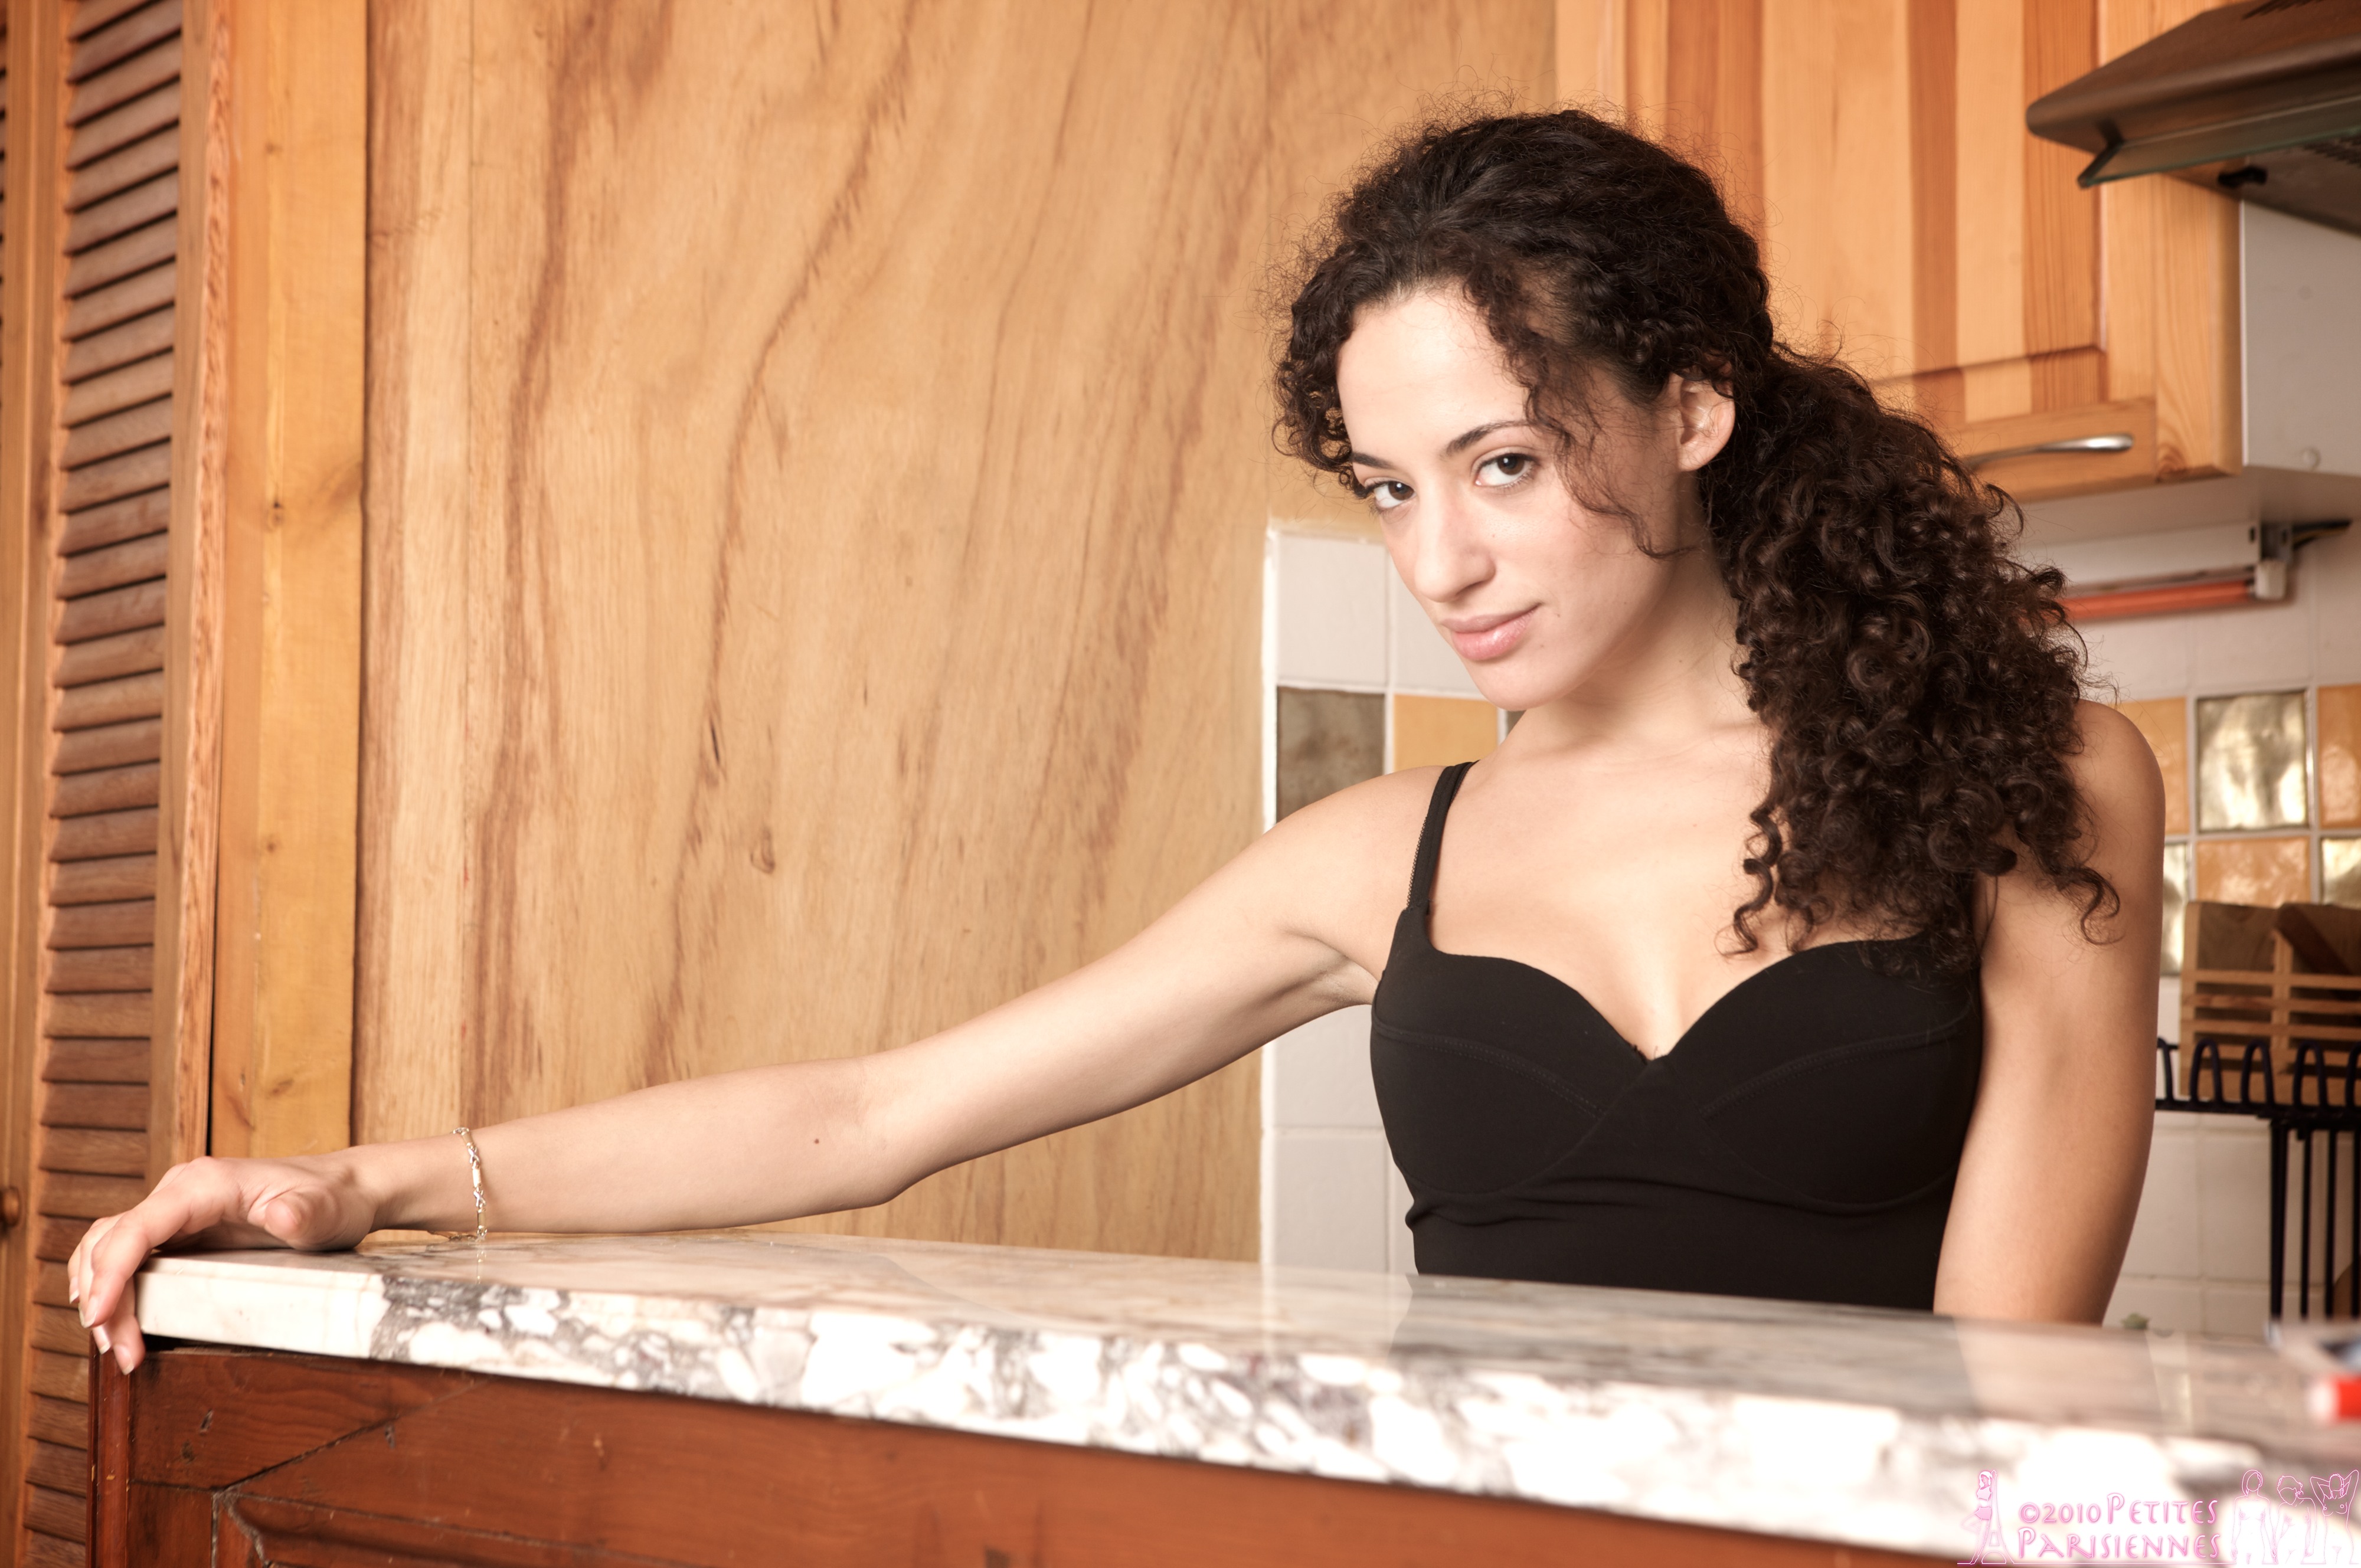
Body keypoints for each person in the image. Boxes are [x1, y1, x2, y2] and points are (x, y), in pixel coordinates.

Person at [70, 109, 2161, 1373]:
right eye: (1389, 487)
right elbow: (874, 1112)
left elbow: (2005, 1390)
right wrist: (365, 1179)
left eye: (1505, 461)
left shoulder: (2032, 784)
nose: (1438, 557)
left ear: (1689, 404)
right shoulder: (1382, 855)